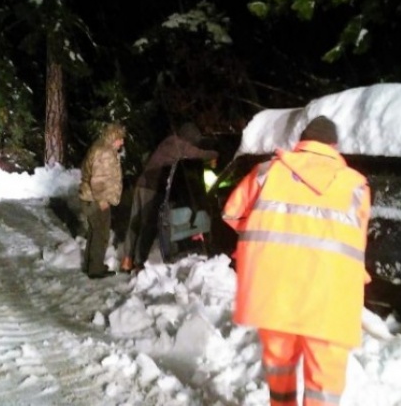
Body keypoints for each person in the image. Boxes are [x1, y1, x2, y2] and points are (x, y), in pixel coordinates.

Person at [221, 116, 371, 406]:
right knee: (325, 380)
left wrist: (265, 236)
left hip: (276, 291)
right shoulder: (356, 186)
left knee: (280, 368)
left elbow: (231, 213)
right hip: (331, 296)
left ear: (302, 142)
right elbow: (355, 243)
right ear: (333, 146)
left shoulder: (265, 173)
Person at [120, 122, 218, 273]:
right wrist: (215, 154)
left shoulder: (169, 141)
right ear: (189, 137)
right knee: (149, 225)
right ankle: (139, 263)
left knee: (135, 222)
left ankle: (127, 260)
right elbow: (198, 154)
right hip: (152, 187)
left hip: (142, 184)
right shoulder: (179, 144)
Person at [78, 122, 126, 279]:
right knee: (101, 233)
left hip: (91, 198)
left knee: (94, 232)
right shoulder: (104, 152)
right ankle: (96, 269)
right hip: (97, 199)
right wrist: (102, 200)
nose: (122, 142)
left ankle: (90, 265)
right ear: (114, 137)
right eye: (120, 139)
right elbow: (98, 180)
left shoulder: (103, 148)